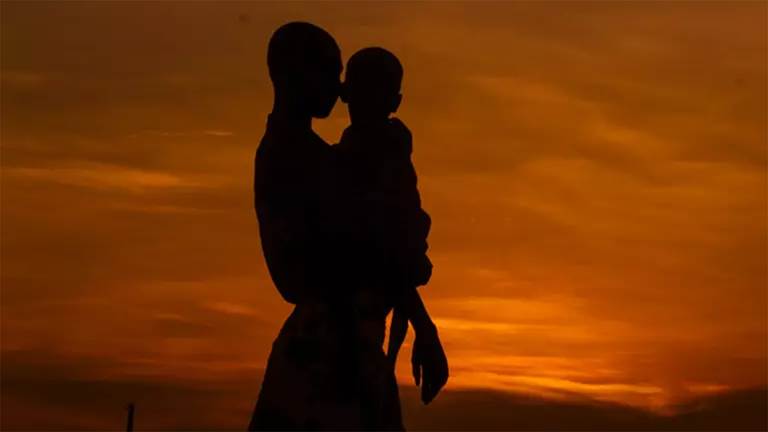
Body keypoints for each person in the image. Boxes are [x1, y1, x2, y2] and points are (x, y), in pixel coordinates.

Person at [249, 22, 448, 431]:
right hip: (330, 355)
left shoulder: (328, 158)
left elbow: (379, 244)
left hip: (344, 346)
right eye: (330, 72)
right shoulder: (297, 158)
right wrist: (421, 324)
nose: (339, 88)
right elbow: (366, 250)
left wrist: (421, 323)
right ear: (296, 74)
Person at [334, 47, 433, 367]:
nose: (368, 103)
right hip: (350, 319)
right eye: (364, 91)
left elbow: (390, 244)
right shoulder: (347, 159)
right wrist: (424, 326)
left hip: (365, 313)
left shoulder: (381, 155)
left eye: (375, 93)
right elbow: (386, 248)